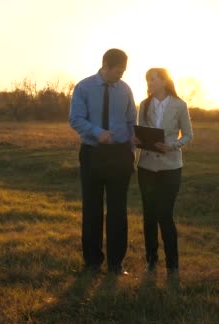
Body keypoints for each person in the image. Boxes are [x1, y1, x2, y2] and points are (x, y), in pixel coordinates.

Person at [69, 48, 137, 275]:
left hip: (120, 156)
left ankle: (116, 263)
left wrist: (131, 149)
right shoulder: (84, 87)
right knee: (92, 209)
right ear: (105, 66)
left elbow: (131, 121)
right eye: (118, 71)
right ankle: (92, 262)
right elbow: (75, 119)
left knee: (118, 210)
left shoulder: (125, 89)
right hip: (92, 154)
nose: (121, 75)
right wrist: (97, 132)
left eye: (124, 71)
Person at [132, 68, 193, 283]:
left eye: (153, 79)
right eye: (147, 79)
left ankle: (173, 264)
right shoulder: (144, 105)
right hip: (146, 166)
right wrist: (136, 140)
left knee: (165, 215)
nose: (149, 82)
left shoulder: (179, 105)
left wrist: (172, 146)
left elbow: (188, 135)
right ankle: (151, 260)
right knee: (149, 214)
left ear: (165, 81)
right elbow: (139, 132)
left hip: (170, 168)